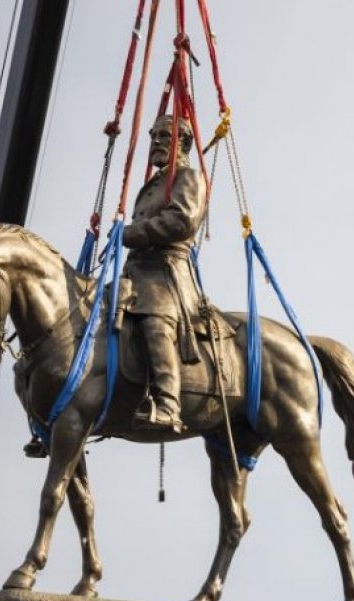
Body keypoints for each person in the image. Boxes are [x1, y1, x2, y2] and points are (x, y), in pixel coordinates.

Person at [121, 113, 208, 432]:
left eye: (164, 137)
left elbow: (180, 221)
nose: (155, 142)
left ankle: (169, 404)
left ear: (182, 143)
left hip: (166, 273)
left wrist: (131, 234)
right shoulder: (152, 186)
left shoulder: (188, 177)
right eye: (153, 136)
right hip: (134, 271)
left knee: (155, 324)